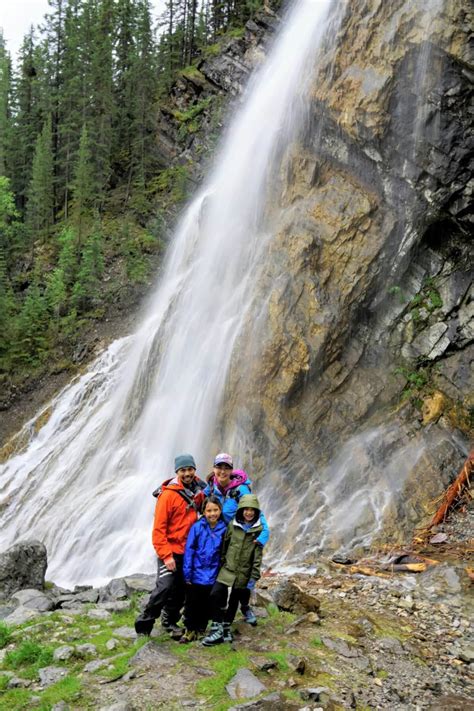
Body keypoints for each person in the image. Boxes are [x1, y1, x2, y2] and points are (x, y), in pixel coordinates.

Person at [134, 454, 206, 637]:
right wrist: (166, 556)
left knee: (181, 589)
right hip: (170, 550)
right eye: (183, 470)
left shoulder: (199, 491)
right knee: (164, 587)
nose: (187, 473)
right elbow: (158, 530)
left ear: (194, 470)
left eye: (190, 469)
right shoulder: (167, 496)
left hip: (188, 551)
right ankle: (143, 625)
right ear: (177, 472)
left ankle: (169, 621)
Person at [203, 452, 269, 625]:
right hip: (218, 537)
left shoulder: (241, 489)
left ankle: (245, 606)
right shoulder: (211, 487)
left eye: (226, 468)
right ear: (214, 469)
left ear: (231, 470)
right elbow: (200, 503)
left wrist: (262, 536)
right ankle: (217, 609)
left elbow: (254, 511)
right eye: (219, 467)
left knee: (243, 576)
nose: (222, 471)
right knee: (221, 574)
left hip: (240, 537)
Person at [202, 493, 264, 646]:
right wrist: (223, 562)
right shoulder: (233, 525)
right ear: (240, 510)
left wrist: (253, 578)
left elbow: (257, 558)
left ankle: (226, 626)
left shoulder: (258, 531)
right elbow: (225, 545)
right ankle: (216, 624)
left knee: (234, 601)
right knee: (215, 593)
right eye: (245, 509)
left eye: (252, 510)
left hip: (244, 573)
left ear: (256, 512)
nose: (249, 513)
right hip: (228, 569)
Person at [179, 495, 227, 643]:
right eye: (209, 510)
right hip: (196, 571)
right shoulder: (197, 527)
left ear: (220, 510)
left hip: (213, 572)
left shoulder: (224, 529)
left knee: (206, 602)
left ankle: (200, 629)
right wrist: (187, 572)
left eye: (215, 510)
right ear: (204, 512)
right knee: (192, 602)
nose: (212, 514)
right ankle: (189, 630)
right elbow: (190, 550)